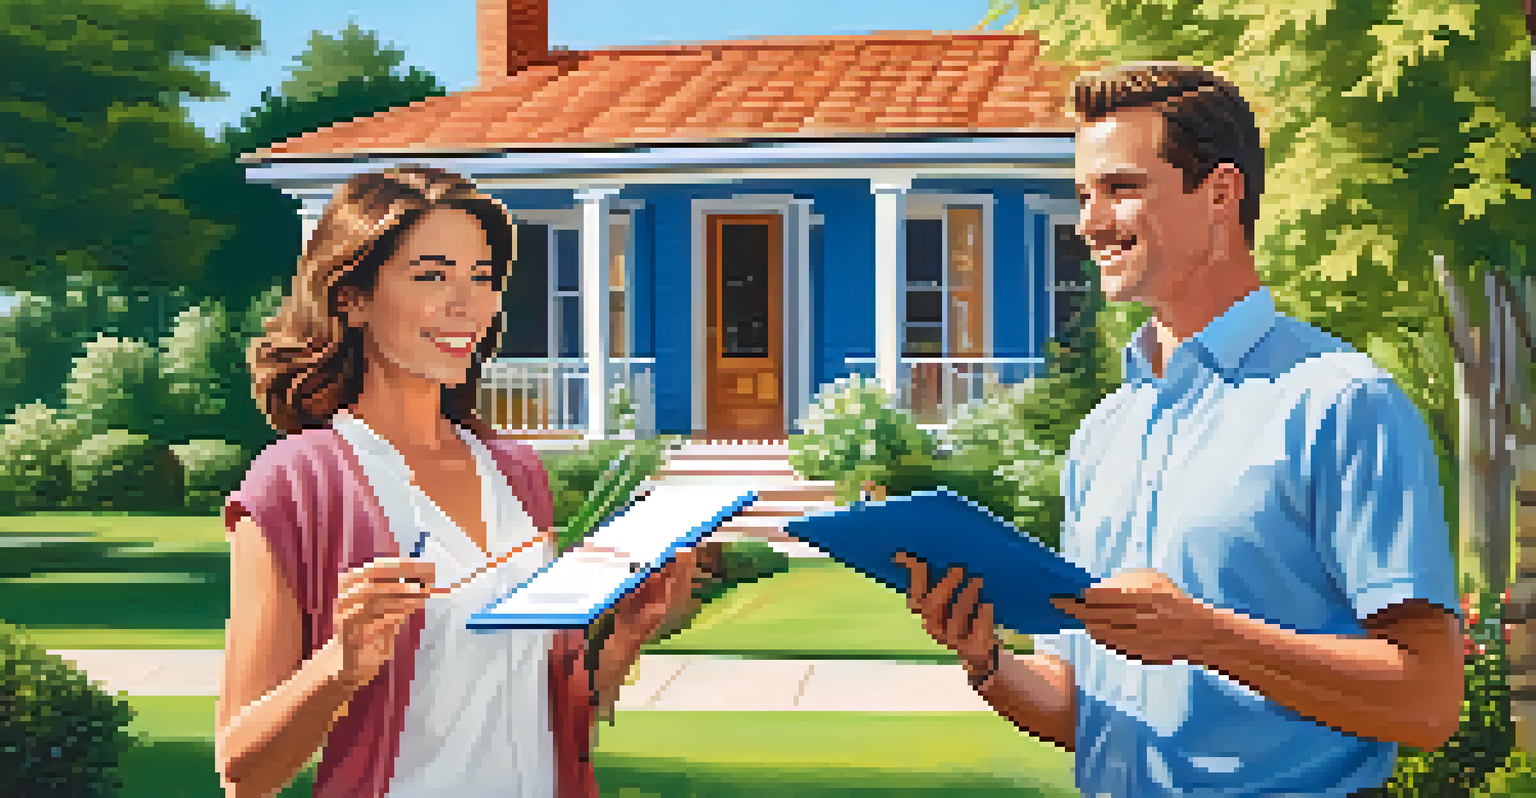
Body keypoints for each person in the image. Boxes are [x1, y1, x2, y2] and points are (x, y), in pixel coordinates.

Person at [895, 63, 1465, 796]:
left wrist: (1203, 634)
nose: (1090, 223)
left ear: (1221, 193)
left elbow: (1427, 702)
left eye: (1121, 188)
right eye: (1082, 195)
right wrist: (988, 662)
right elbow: (1082, 708)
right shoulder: (1104, 433)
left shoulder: (1345, 403)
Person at [214, 165, 696, 798]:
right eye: (432, 276)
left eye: (483, 278)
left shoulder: (517, 474)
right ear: (350, 298)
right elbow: (242, 773)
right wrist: (340, 665)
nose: (466, 304)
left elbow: (541, 716)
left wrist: (624, 640)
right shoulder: (298, 482)